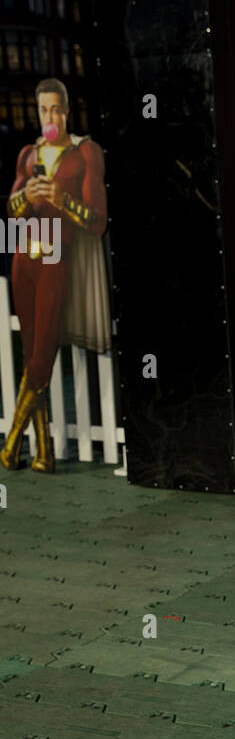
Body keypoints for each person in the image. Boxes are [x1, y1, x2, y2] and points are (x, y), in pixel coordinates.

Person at [1, 79, 107, 473]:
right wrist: (25, 197)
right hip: (23, 256)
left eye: (56, 109)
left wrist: (63, 200)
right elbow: (10, 212)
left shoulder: (85, 152)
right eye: (44, 110)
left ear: (67, 110)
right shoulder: (28, 154)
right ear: (38, 112)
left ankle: (11, 442)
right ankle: (43, 453)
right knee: (31, 353)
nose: (50, 117)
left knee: (43, 352)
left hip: (56, 256)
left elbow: (98, 221)